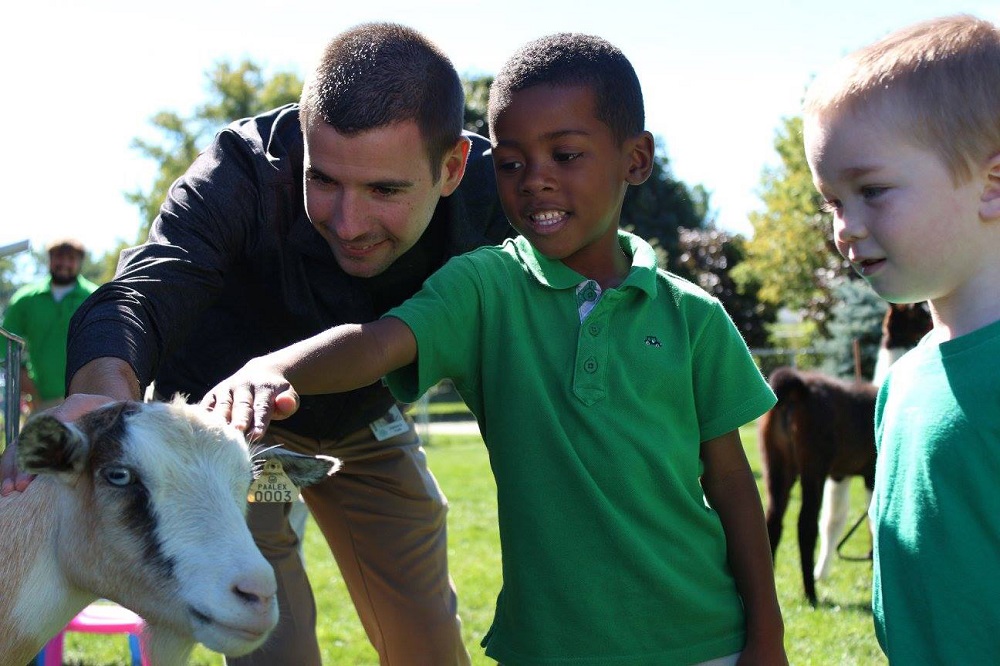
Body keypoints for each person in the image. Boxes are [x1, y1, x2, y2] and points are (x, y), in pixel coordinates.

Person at [204, 33, 787, 665]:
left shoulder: (693, 316)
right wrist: (269, 369)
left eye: (565, 155)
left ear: (636, 160)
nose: (534, 181)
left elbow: (731, 484)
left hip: (705, 641)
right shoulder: (485, 287)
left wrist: (767, 636)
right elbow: (372, 346)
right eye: (510, 163)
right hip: (548, 647)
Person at [1, 22, 511, 666]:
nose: (348, 223)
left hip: (369, 416)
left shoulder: (501, 195)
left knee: (426, 635)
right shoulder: (238, 170)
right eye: (322, 180)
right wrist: (99, 402)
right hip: (225, 443)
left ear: (452, 168)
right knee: (267, 631)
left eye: (385, 190)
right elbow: (140, 290)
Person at [802, 14, 1000, 663]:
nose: (845, 228)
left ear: (992, 184)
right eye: (832, 202)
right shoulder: (906, 379)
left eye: (871, 191)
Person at [1, 238, 97, 413]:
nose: (65, 263)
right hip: (42, 402)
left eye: (71, 258)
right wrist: (22, 377)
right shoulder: (25, 299)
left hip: (88, 401)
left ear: (79, 262)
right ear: (50, 259)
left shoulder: (95, 297)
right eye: (59, 257)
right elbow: (4, 343)